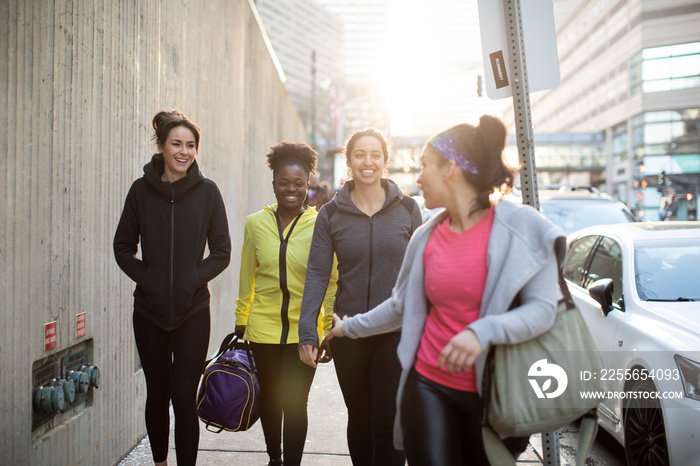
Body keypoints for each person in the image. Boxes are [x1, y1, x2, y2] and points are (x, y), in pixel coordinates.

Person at [324, 116, 566, 465]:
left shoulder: (522, 228)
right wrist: (349, 327)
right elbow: (400, 305)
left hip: (494, 391)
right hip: (427, 386)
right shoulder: (426, 234)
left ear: (451, 169)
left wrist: (483, 332)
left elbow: (544, 309)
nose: (418, 177)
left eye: (425, 166)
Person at [298, 128, 423, 466]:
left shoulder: (408, 210)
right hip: (348, 330)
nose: (368, 161)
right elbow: (317, 273)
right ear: (349, 160)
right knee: (360, 416)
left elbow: (423, 275)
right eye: (360, 154)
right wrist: (307, 329)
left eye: (375, 155)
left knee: (387, 418)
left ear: (386, 160)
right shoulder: (331, 214)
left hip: (395, 330)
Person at [114, 110, 231, 466]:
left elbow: (222, 252)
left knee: (183, 395)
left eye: (190, 145)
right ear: (162, 147)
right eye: (176, 144)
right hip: (148, 310)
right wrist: (148, 279)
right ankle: (160, 463)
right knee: (158, 393)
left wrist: (193, 278)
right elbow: (123, 248)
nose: (184, 151)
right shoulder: (140, 191)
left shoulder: (208, 192)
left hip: (193, 309)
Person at [234, 142, 338, 466]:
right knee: (270, 402)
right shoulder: (255, 223)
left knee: (295, 404)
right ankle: (274, 459)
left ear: (308, 183)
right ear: (274, 183)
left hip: (302, 331)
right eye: (283, 183)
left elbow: (331, 279)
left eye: (298, 183)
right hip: (262, 329)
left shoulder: (320, 224)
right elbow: (247, 275)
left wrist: (326, 326)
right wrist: (242, 318)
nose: (290, 190)